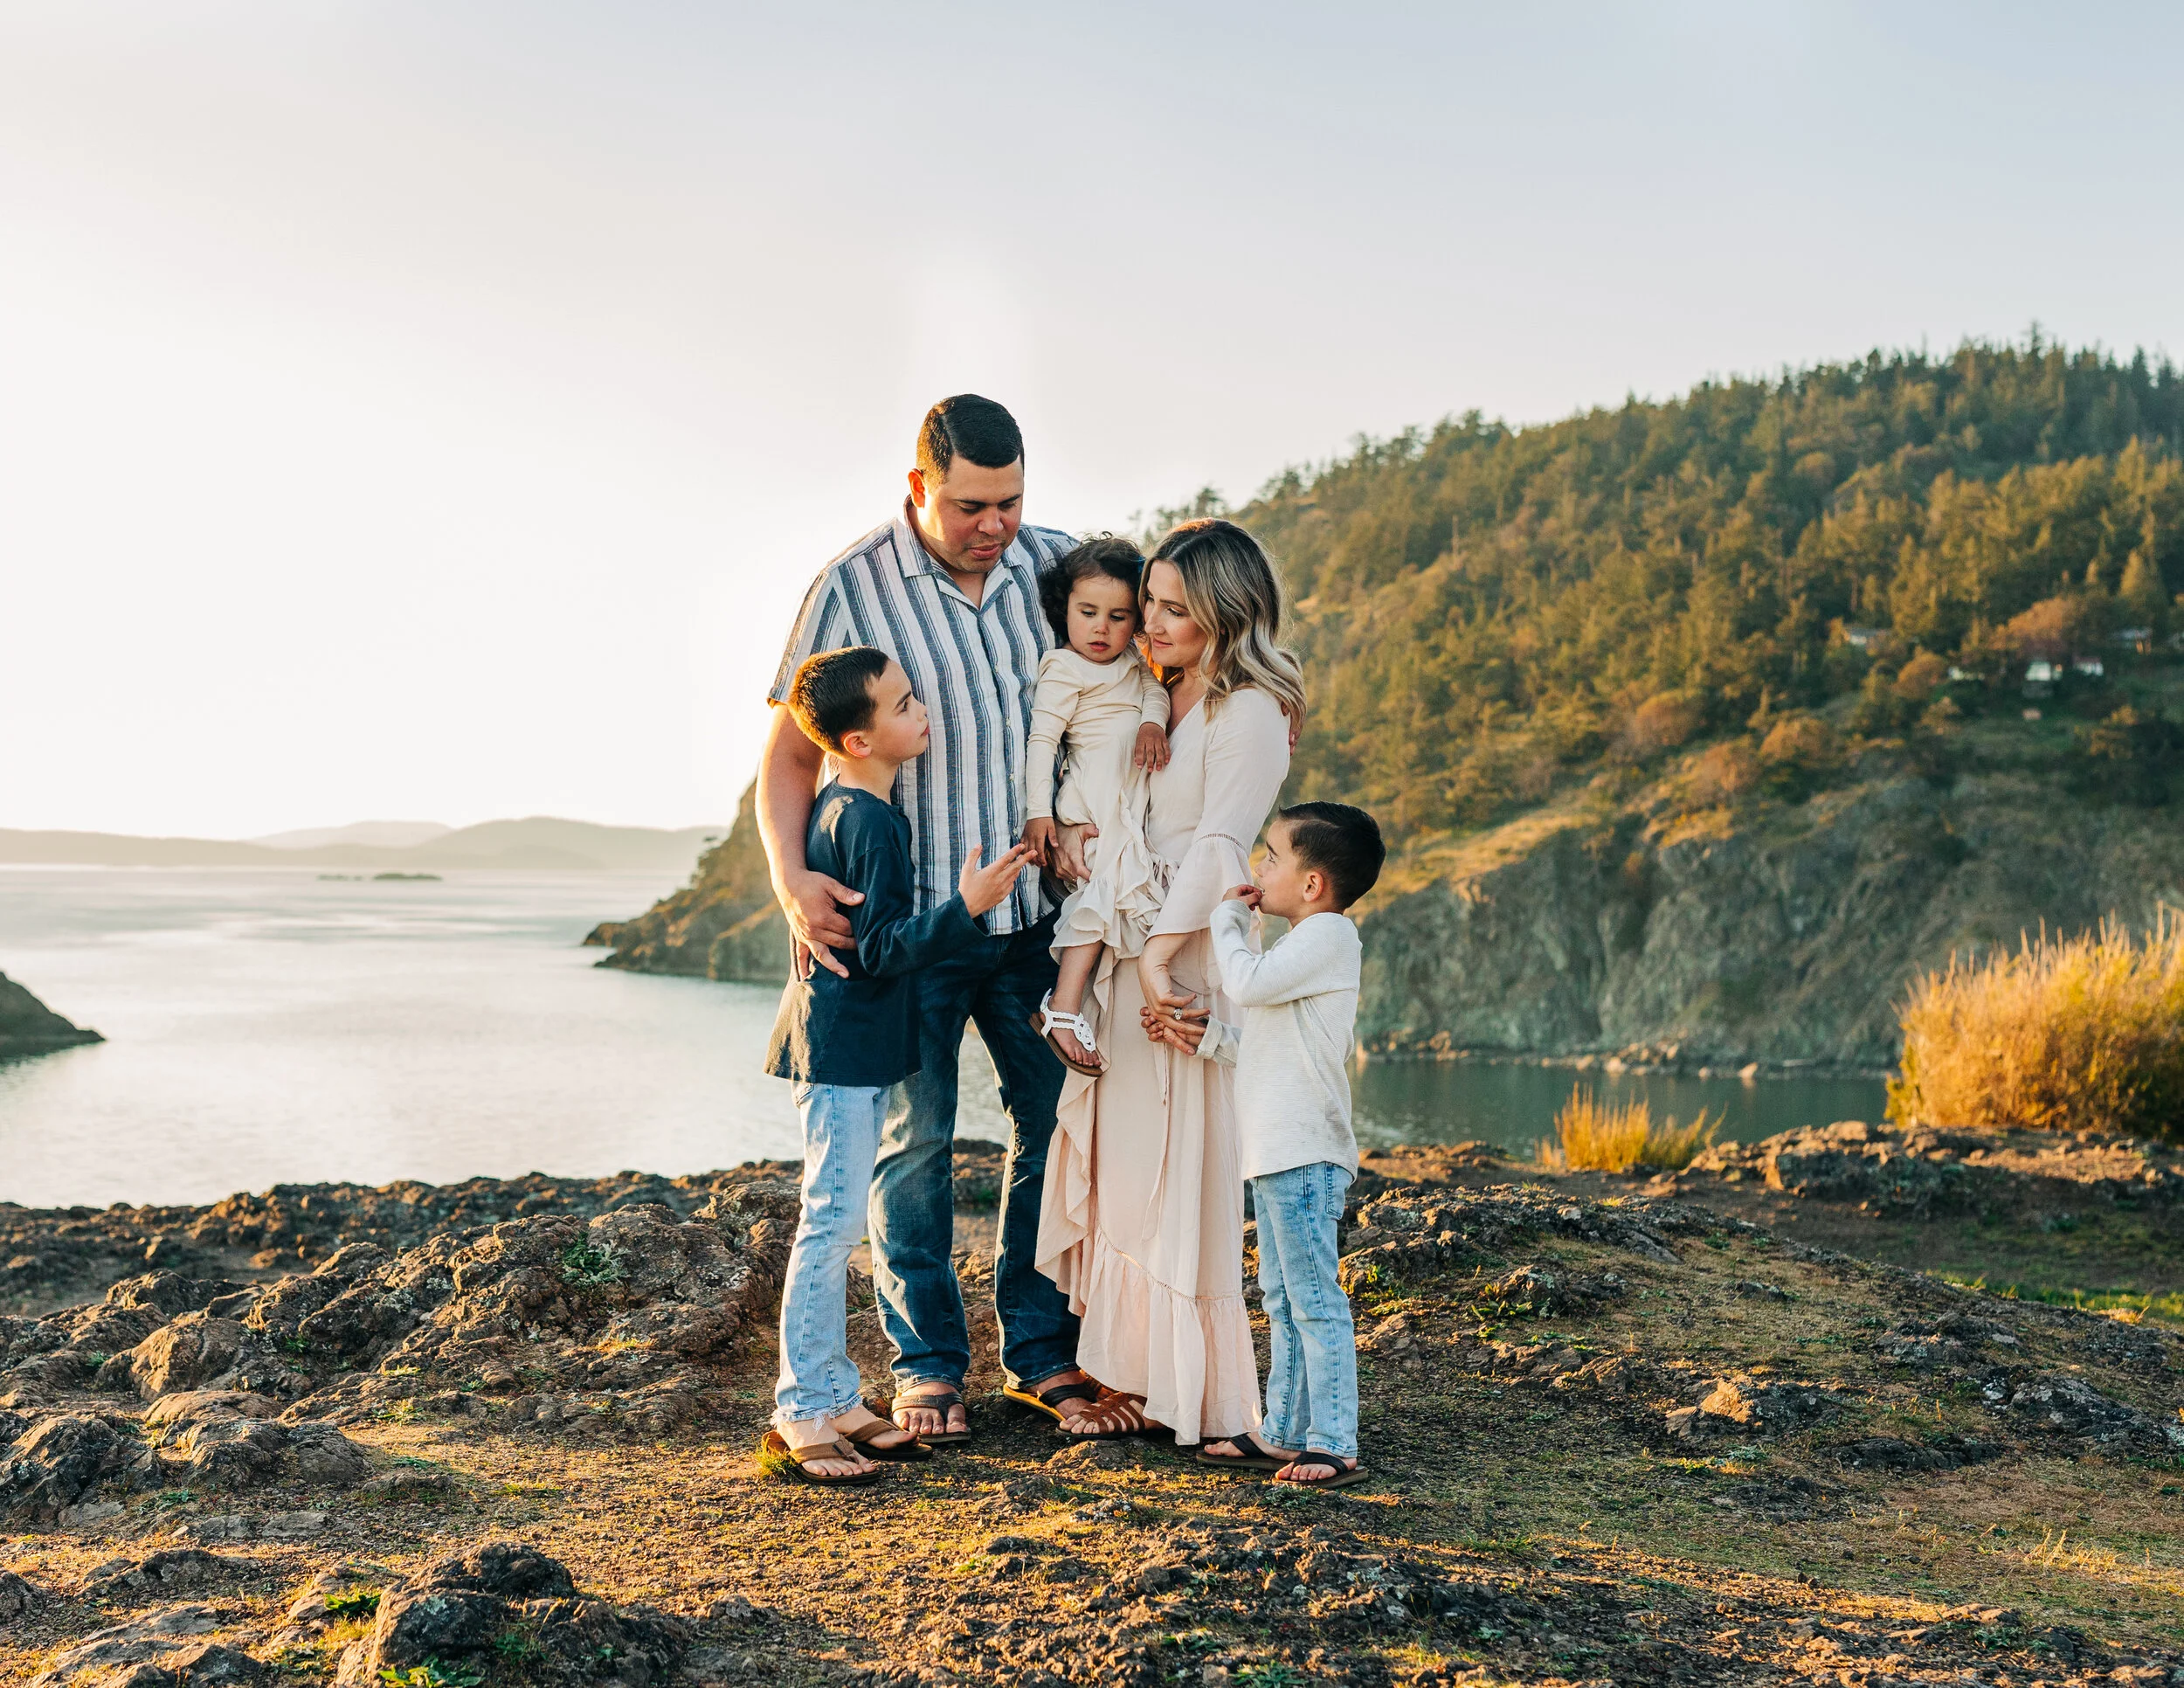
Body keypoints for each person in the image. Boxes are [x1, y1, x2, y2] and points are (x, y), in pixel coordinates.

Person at [757, 394, 1107, 1442]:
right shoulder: (850, 585)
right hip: (912, 933)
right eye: (968, 505)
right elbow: (785, 755)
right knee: (914, 1147)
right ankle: (928, 1366)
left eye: (1008, 502)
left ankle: (1042, 1357)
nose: (992, 524)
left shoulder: (1056, 570)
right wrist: (789, 878)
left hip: (1038, 920)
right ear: (920, 487)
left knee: (1054, 1128)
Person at [1033, 518, 1304, 1448]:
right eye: (1147, 600)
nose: (1149, 621)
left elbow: (1224, 844)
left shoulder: (1252, 710)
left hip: (1185, 957)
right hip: (1124, 946)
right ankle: (1132, 1377)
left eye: (1173, 608)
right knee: (1128, 1166)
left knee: (1182, 1164)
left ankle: (1203, 1396)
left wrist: (1158, 961)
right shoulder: (1162, 693)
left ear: (1227, 613)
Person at [759, 647, 1039, 1484]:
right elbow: (879, 951)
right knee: (831, 1224)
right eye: (905, 703)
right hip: (843, 1045)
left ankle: (840, 1398)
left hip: (850, 1039)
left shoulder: (859, 807)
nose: (924, 711)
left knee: (837, 1219)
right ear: (856, 739)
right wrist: (970, 909)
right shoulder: (867, 819)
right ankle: (801, 1409)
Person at [1188, 801, 1384, 1488]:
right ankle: (1281, 1430)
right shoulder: (1306, 943)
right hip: (1277, 1153)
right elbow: (1270, 1043)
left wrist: (1228, 922)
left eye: (1272, 857)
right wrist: (1208, 1039)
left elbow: (1245, 982)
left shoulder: (1330, 934)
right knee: (1279, 1294)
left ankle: (1334, 1440)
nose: (1259, 868)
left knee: (1313, 1298)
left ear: (1311, 885)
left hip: (1303, 1155)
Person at [1021, 536, 1171, 1076]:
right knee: (1102, 890)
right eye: (1088, 613)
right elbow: (1042, 741)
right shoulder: (1064, 667)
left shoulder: (1134, 660)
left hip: (1131, 796)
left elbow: (1155, 691)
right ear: (1066, 610)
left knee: (1118, 899)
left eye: (1118, 616)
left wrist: (1154, 721)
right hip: (1095, 794)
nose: (1101, 629)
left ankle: (1086, 1007)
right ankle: (1060, 1007)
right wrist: (1040, 814)